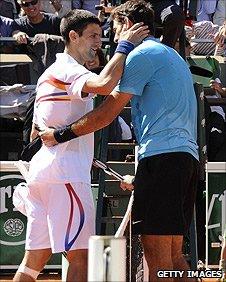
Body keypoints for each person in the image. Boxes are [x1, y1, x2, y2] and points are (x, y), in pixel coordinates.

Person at [40, 1, 199, 281]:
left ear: (127, 24)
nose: (111, 37)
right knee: (174, 256)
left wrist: (60, 134)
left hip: (163, 160)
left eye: (114, 27)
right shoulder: (171, 55)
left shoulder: (142, 56)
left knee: (157, 255)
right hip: (183, 160)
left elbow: (107, 112)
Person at [13, 8, 148, 282]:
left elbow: (50, 133)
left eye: (100, 35)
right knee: (83, 259)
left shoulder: (52, 71)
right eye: (93, 36)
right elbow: (104, 83)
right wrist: (125, 46)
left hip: (43, 176)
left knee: (33, 261)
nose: (99, 42)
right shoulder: (68, 70)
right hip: (65, 177)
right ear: (73, 36)